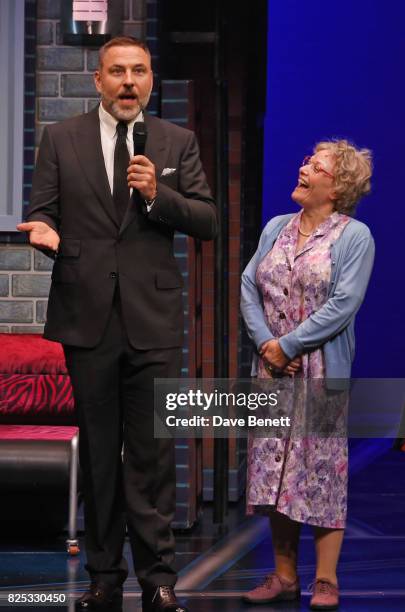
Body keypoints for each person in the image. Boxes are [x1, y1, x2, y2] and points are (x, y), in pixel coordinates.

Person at [17, 37, 216, 612]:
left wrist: (160, 195)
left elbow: (206, 220)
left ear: (151, 79)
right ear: (98, 80)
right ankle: (104, 576)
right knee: (101, 454)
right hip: (88, 319)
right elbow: (43, 212)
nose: (130, 82)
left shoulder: (177, 142)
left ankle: (159, 579)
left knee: (153, 454)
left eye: (140, 72)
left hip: (154, 322)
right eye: (118, 72)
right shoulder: (61, 139)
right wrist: (46, 236)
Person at [240, 140, 374, 610]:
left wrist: (289, 346)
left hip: (319, 370)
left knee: (320, 472)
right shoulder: (277, 227)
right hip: (273, 371)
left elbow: (343, 305)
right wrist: (267, 346)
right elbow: (247, 285)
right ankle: (282, 575)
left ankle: (325, 579)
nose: (303, 169)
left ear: (336, 187)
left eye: (315, 167)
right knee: (274, 471)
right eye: (305, 161)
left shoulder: (354, 236)